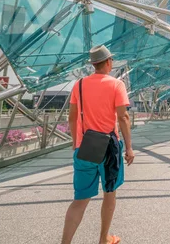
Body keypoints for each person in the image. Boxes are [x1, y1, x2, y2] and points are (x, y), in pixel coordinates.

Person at [61, 45, 135, 244]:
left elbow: (72, 117)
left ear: (93, 64)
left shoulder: (80, 85)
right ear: (109, 62)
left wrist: (75, 142)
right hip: (109, 150)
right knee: (109, 193)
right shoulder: (116, 85)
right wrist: (128, 148)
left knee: (80, 200)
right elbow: (123, 117)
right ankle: (104, 238)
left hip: (84, 148)